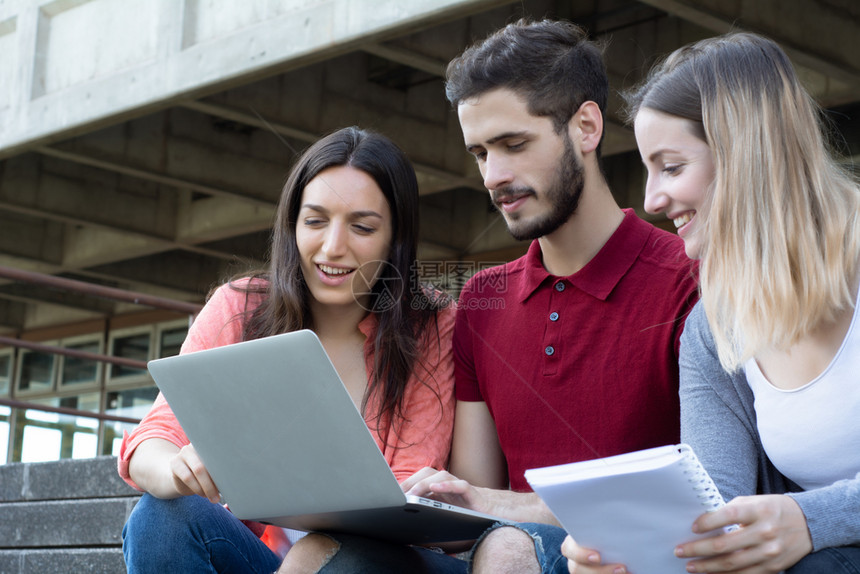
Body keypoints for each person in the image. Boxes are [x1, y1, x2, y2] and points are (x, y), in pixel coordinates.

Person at [399, 18, 700, 574]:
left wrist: (503, 508)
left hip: (643, 561)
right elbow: (477, 504)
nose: (494, 175)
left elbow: (704, 503)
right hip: (509, 555)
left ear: (586, 127)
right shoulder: (482, 303)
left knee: (508, 547)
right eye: (480, 153)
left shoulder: (690, 281)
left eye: (514, 144)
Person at [563, 32, 860, 574]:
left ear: (747, 152)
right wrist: (628, 549)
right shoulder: (712, 326)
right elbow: (713, 509)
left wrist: (814, 519)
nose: (652, 200)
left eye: (671, 167)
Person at [118, 126, 458, 573]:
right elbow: (154, 435)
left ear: (396, 239)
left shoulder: (431, 324)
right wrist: (174, 471)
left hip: (373, 560)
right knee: (162, 517)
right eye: (315, 220)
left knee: (349, 560)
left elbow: (405, 492)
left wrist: (312, 552)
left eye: (361, 226)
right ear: (292, 225)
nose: (332, 247)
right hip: (260, 557)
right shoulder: (239, 306)